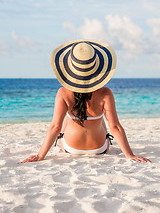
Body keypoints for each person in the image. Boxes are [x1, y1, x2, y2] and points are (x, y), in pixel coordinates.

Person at [22, 40, 150, 163]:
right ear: (97, 67)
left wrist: (40, 155)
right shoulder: (105, 93)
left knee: (67, 118)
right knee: (102, 121)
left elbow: (55, 127)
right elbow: (115, 127)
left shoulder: (63, 93)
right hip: (99, 148)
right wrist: (129, 155)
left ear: (70, 68)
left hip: (71, 148)